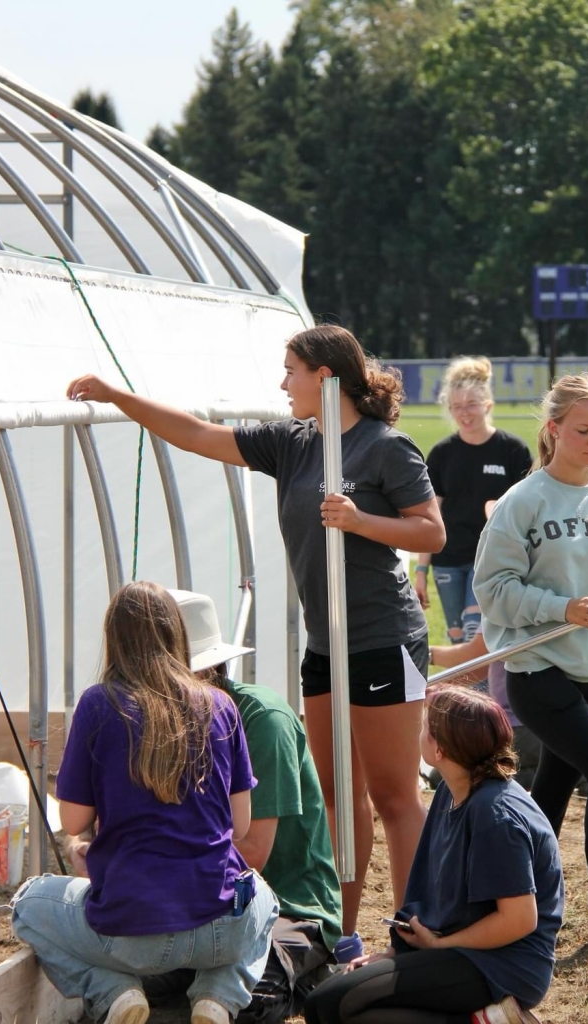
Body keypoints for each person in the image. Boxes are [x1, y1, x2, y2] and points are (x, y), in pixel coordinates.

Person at [67, 324, 446, 945]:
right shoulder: (292, 444)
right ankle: (340, 936)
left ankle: (411, 932)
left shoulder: (386, 448)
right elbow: (196, 435)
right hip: (326, 645)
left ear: (326, 378)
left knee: (392, 796)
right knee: (335, 794)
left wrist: (358, 520)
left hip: (384, 639)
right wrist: (118, 396)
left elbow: (431, 533)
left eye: (291, 370)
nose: (282, 382)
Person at [9, 581, 278, 1024]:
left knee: (28, 903)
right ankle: (217, 997)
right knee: (261, 896)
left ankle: (114, 993)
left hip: (127, 932)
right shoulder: (222, 706)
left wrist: (88, 846)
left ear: (112, 637)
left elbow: (73, 818)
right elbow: (240, 825)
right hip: (221, 928)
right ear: (178, 636)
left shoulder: (98, 704)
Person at [473, 371, 588, 944]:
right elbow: (492, 589)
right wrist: (560, 608)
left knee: (555, 786)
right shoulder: (522, 500)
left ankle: (514, 893)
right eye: (584, 430)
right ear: (553, 430)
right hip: (535, 668)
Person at [140, 588, 343, 1024]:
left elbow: (251, 854)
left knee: (246, 1006)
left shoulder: (262, 720)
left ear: (207, 670)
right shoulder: (166, 724)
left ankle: (309, 977)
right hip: (196, 900)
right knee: (130, 984)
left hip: (287, 905)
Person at [303, 685, 564, 1024]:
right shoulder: (451, 788)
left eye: (425, 725)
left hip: (502, 965)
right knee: (332, 1003)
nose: (419, 729)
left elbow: (519, 919)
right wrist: (396, 952)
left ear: (439, 750)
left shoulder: (494, 814)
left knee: (332, 1005)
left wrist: (439, 947)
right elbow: (431, 887)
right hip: (459, 950)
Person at [415, 357, 531, 646]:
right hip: (448, 562)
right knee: (457, 638)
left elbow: (529, 511)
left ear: (488, 405)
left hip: (490, 561)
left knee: (474, 634)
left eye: (471, 405)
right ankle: (465, 692)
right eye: (456, 407)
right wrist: (420, 572)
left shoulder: (512, 450)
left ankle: (482, 692)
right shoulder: (442, 453)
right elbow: (431, 514)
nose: (464, 413)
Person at [428, 634, 541, 790]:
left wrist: (425, 653)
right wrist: (438, 691)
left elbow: (476, 654)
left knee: (445, 777)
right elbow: (480, 665)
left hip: (515, 725)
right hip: (534, 723)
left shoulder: (500, 609)